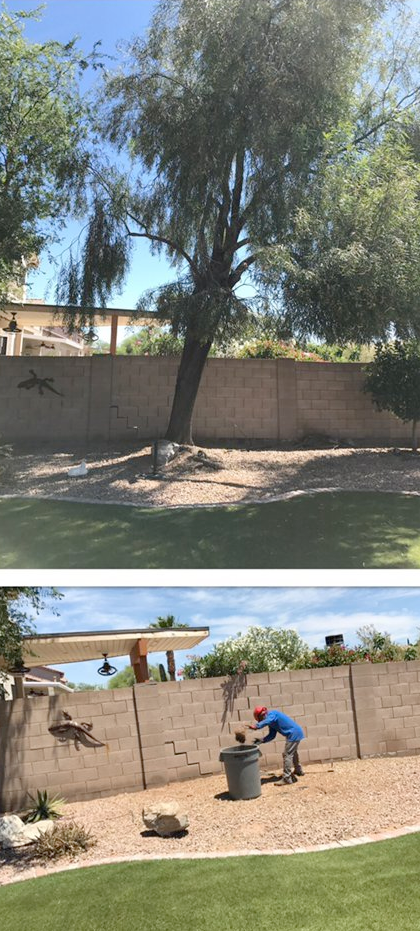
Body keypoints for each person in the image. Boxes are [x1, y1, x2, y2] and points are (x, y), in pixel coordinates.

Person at [248, 705, 305, 785]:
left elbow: (267, 721)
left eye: (260, 720)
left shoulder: (273, 714)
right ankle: (298, 770)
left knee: (287, 755)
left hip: (293, 734)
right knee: (293, 753)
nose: (260, 721)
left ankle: (287, 778)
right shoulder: (271, 722)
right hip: (295, 733)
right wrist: (261, 740)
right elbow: (272, 735)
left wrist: (256, 726)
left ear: (262, 714)